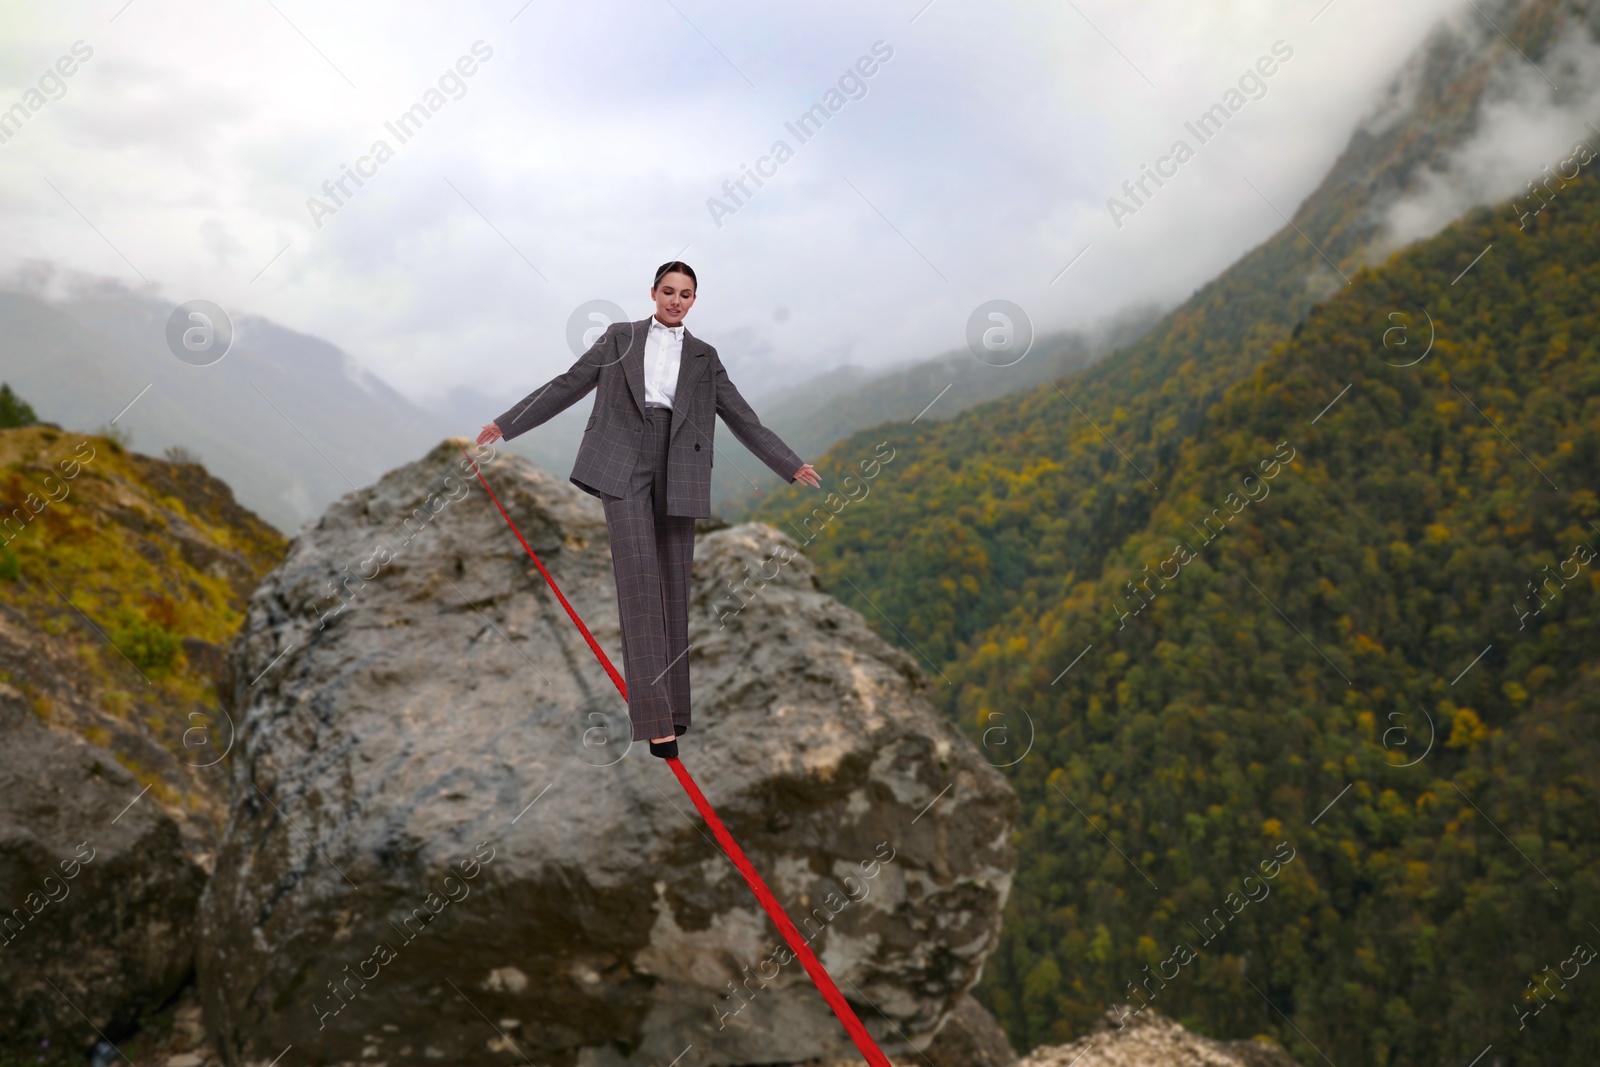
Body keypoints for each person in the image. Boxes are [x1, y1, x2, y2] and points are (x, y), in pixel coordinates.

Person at [477, 261, 821, 758]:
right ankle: (656, 723)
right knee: (640, 588)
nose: (676, 300)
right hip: (622, 461)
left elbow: (744, 417)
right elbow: (567, 384)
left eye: (686, 294)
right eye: (668, 291)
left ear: (694, 300)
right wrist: (507, 423)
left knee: (673, 594)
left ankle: (675, 710)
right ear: (653, 293)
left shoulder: (705, 356)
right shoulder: (621, 338)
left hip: (679, 466)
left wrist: (788, 464)